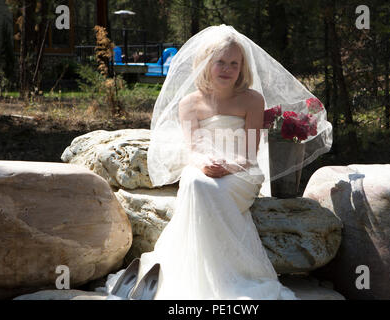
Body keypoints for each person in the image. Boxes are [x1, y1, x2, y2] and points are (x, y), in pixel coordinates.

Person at [104, 25, 332, 300]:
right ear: (206, 64)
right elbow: (193, 148)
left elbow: (249, 153)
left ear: (241, 68)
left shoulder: (251, 99)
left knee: (207, 189)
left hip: (243, 171)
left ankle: (230, 280)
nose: (227, 69)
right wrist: (202, 163)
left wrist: (230, 167)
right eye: (220, 62)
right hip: (201, 166)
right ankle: (190, 279)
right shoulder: (190, 103)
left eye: (234, 63)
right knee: (197, 184)